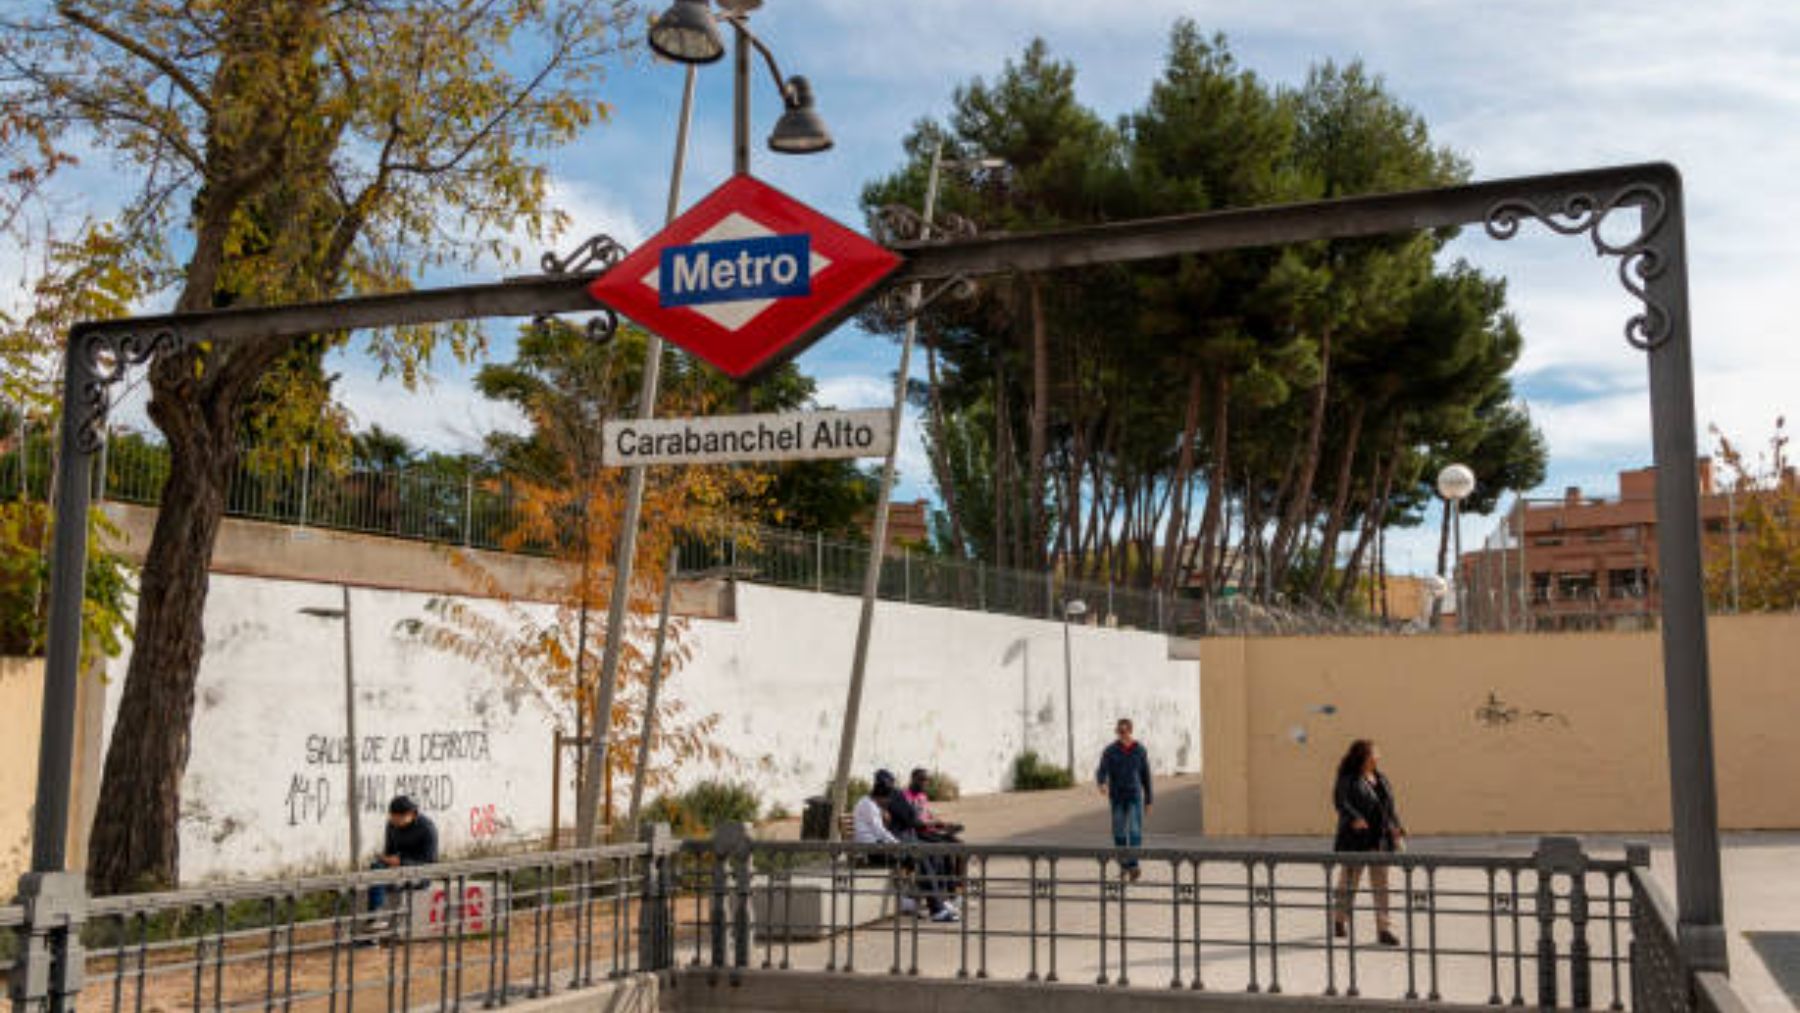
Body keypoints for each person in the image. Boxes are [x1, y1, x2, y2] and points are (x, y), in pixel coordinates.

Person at [855, 770, 958, 922]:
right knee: (919, 855)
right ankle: (936, 909)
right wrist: (899, 845)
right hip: (874, 850)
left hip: (882, 846)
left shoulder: (871, 803)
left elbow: (883, 830)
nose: (887, 804)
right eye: (886, 801)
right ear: (880, 797)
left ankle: (939, 902)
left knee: (926, 853)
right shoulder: (868, 806)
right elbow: (881, 832)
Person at [1331, 739, 1405, 946]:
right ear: (1363, 756)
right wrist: (1355, 817)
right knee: (1349, 883)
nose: (1378, 756)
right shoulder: (1348, 778)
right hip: (1356, 839)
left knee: (1382, 886)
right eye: (1374, 753)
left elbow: (1389, 808)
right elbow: (1340, 801)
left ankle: (1384, 930)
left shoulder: (1381, 778)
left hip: (1380, 840)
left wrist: (1397, 827)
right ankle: (1339, 919)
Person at [1095, 718, 1153, 881]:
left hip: (1134, 796)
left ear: (1130, 731)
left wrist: (1149, 800)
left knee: (1135, 831)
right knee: (1119, 832)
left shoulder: (1139, 750)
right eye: (1119, 731)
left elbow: (1146, 776)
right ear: (1116, 732)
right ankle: (1123, 865)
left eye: (1124, 731)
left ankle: (1133, 865)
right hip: (1117, 797)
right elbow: (1101, 770)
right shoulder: (1110, 751)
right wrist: (1101, 783)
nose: (1122, 734)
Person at [368, 795, 438, 918]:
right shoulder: (391, 825)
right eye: (392, 817)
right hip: (397, 867)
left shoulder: (427, 828)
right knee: (376, 868)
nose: (394, 821)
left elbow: (430, 862)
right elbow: (389, 850)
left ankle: (382, 916)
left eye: (398, 818)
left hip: (419, 873)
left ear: (410, 814)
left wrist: (402, 862)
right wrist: (385, 859)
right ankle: (375, 914)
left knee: (391, 884)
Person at [903, 768, 964, 844]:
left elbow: (927, 815)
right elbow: (914, 822)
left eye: (927, 780)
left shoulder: (922, 796)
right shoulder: (905, 796)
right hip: (917, 833)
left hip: (930, 830)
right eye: (922, 780)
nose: (925, 783)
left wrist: (944, 824)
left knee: (960, 844)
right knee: (947, 846)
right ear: (913, 780)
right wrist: (934, 823)